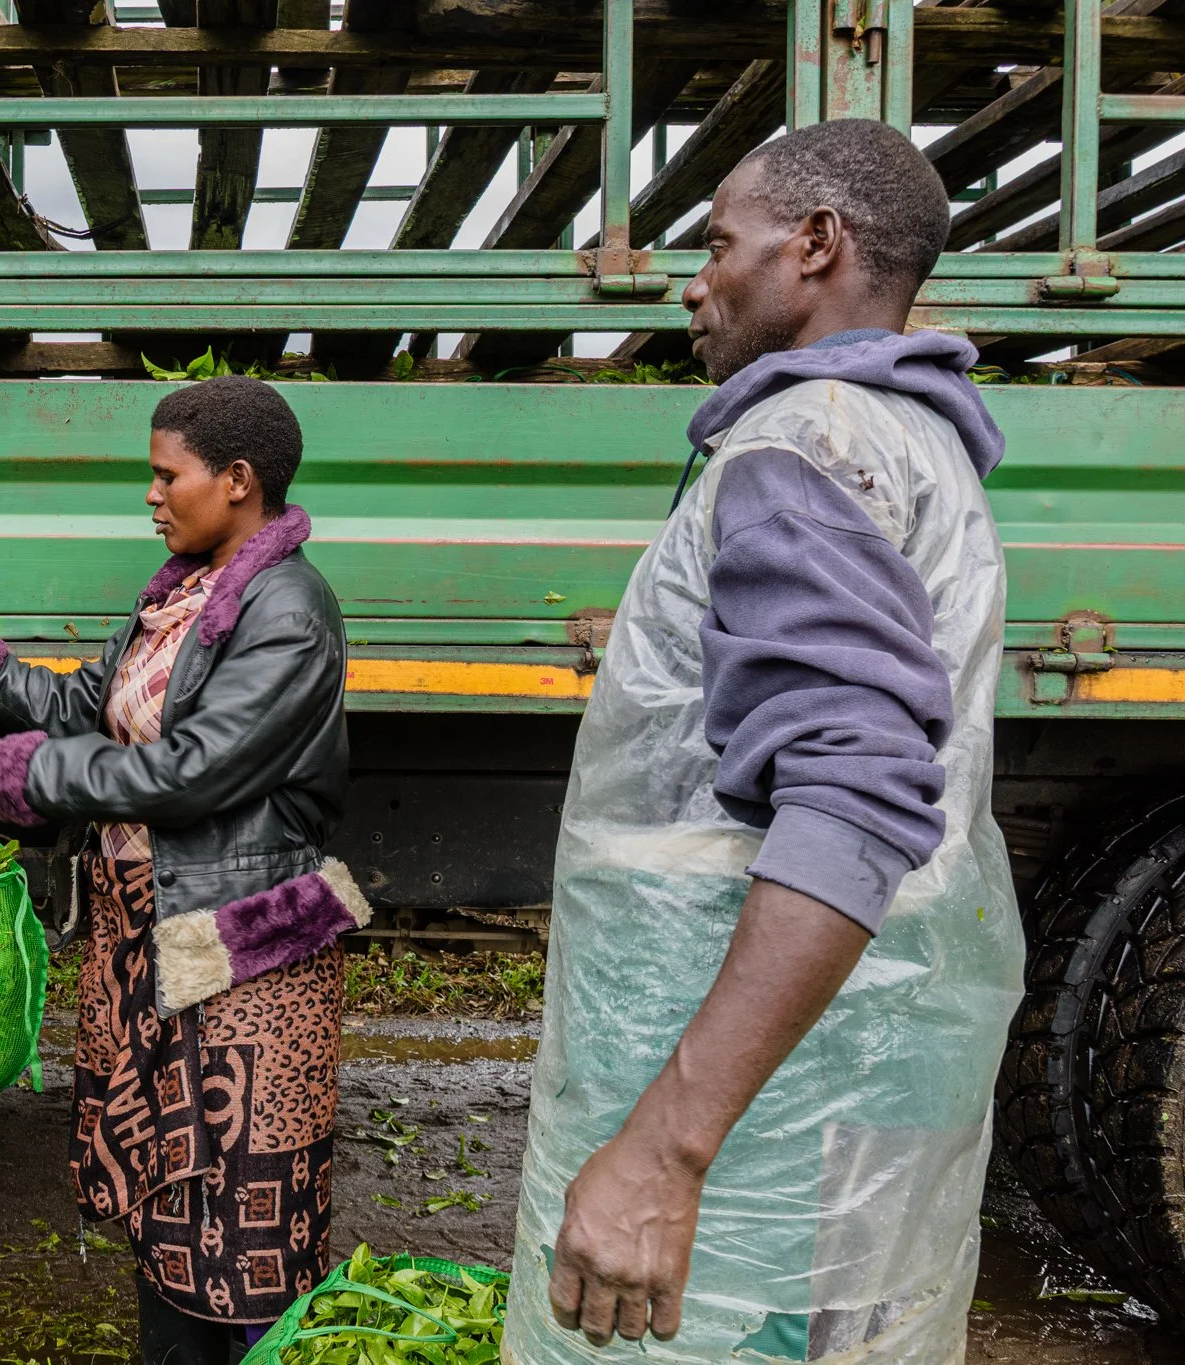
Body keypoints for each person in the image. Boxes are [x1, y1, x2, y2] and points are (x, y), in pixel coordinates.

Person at [506, 119, 1025, 1363]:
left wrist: (662, 1149)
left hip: (754, 1144)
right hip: (839, 1096)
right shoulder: (912, 439)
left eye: (716, 243)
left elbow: (850, 798)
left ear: (813, 244)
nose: (691, 281)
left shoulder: (803, 445)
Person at [0, 375, 364, 1364]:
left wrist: (9, 770)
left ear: (238, 482)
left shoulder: (288, 611)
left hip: (236, 966)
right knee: (169, 1215)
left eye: (165, 475)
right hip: (154, 946)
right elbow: (84, 708)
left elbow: (191, 773)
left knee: (236, 1231)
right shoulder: (178, 600)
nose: (150, 494)